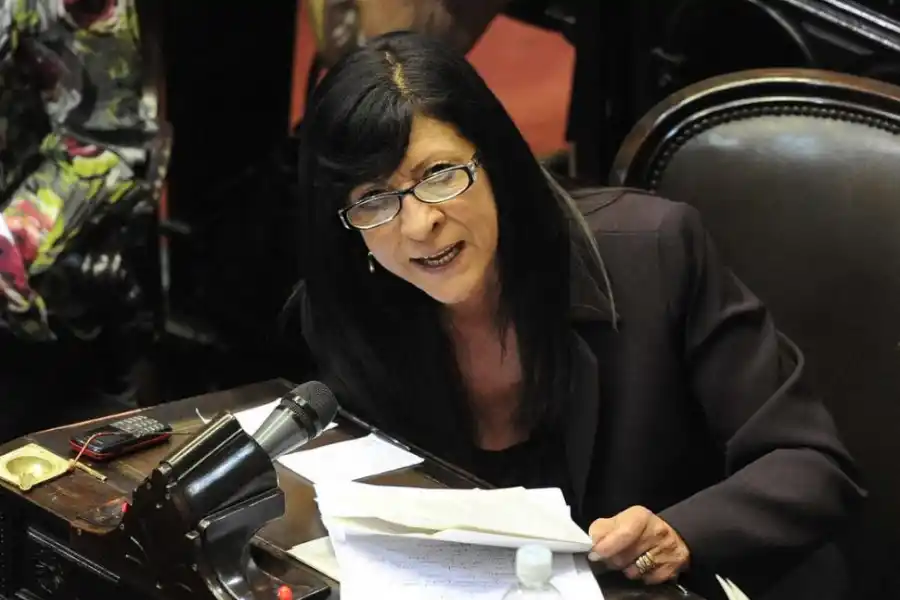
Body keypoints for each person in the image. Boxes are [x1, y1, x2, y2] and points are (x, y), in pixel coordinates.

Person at [290, 32, 864, 600]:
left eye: (439, 175)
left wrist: (681, 534)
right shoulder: (350, 310)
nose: (419, 225)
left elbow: (807, 463)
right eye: (374, 199)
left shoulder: (654, 256)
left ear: (497, 161)